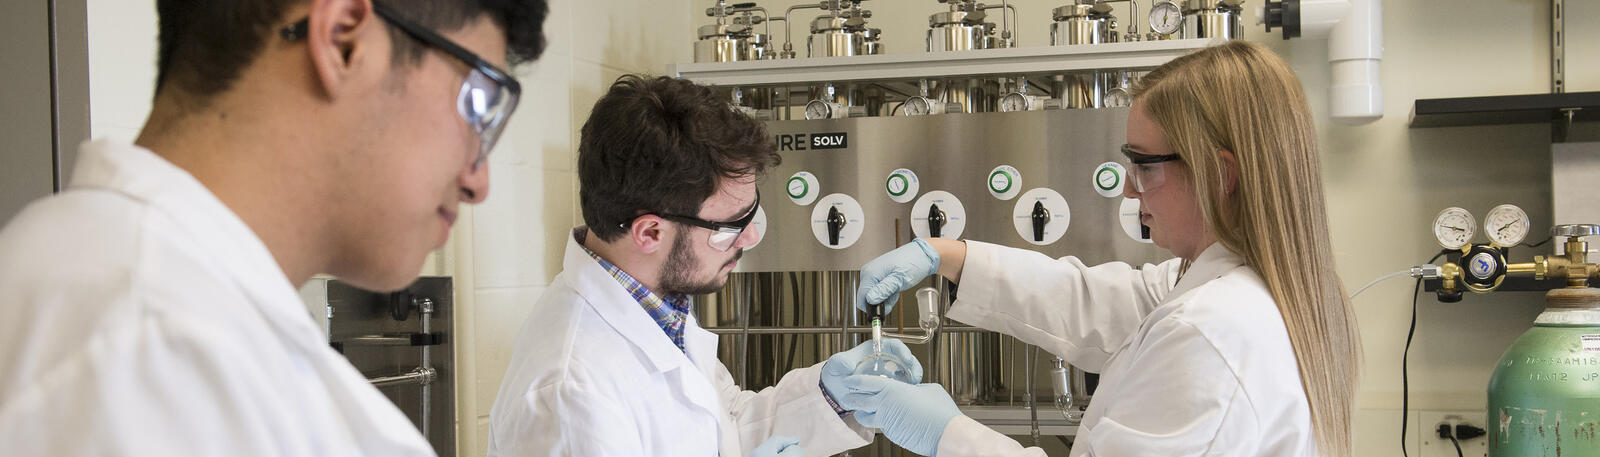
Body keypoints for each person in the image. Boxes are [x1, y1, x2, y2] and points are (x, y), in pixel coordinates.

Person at [0, 0, 546, 455]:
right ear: (343, 41)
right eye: (480, 104)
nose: (480, 182)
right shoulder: (149, 351)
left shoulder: (164, 313)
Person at [840, 40, 1360, 457]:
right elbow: (1094, 299)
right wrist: (946, 254)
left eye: (1144, 164)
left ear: (1220, 173)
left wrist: (948, 436)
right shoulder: (1238, 285)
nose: (1128, 189)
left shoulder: (1213, 332)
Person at [486, 75, 919, 457]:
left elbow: (721, 427)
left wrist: (831, 397)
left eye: (752, 216)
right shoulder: (570, 395)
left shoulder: (656, 307)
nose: (750, 238)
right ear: (650, 233)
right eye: (731, 225)